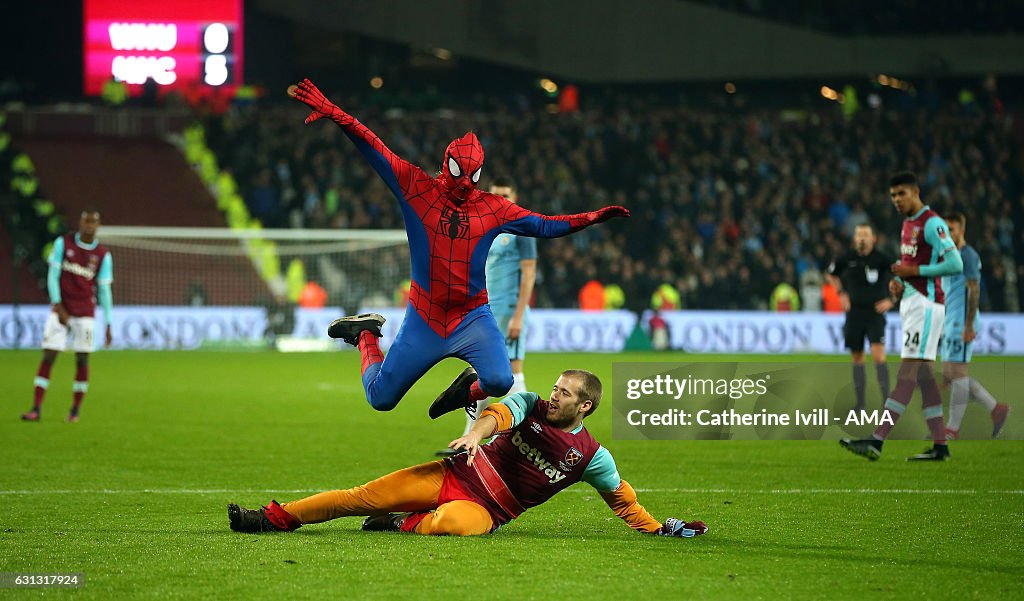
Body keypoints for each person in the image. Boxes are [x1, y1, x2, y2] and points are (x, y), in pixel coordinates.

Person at [288, 78, 629, 417]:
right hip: (425, 316)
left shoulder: (494, 207)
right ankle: (365, 335)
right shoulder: (416, 187)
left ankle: (467, 388)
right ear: (447, 162)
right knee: (381, 399)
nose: (466, 182)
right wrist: (335, 113)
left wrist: (591, 217)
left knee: (499, 380)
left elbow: (542, 225)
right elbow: (373, 147)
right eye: (459, 171)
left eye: (473, 175)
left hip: (471, 316)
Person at [227, 369, 707, 538]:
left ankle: (404, 523)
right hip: (454, 472)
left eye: (565, 393)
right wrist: (476, 433)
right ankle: (269, 519)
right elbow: (501, 412)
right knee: (360, 497)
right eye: (556, 387)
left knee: (460, 527)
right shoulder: (530, 404)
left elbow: (622, 499)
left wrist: (657, 526)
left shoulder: (592, 456)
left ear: (585, 406)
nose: (554, 395)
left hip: (485, 509)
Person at [841, 172, 963, 461]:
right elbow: (912, 266)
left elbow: (955, 263)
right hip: (912, 300)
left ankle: (876, 440)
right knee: (924, 377)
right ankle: (940, 446)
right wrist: (901, 284)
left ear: (915, 192)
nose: (896, 200)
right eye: (893, 195)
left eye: (901, 194)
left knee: (907, 372)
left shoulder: (931, 223)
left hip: (926, 305)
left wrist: (914, 273)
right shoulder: (907, 224)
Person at [438, 178, 536, 452]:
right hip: (485, 310)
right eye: (498, 194)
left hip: (508, 310)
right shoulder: (485, 229)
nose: (502, 198)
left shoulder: (522, 229)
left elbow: (529, 274)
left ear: (515, 196)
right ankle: (471, 436)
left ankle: (525, 433)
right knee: (484, 373)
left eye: (507, 193)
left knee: (513, 371)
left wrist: (518, 315)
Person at [21, 208, 113, 422]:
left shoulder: (102, 255)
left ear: (98, 226)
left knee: (82, 359)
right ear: (80, 223)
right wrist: (57, 305)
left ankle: (75, 411)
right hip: (61, 309)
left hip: (86, 314)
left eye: (93, 222)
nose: (89, 226)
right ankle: (35, 408)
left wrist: (108, 322)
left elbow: (104, 290)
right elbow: (52, 276)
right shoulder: (64, 244)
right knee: (49, 354)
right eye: (86, 221)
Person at [939, 213, 1010, 439]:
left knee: (958, 373)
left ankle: (951, 429)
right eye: (946, 230)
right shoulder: (946, 256)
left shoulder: (968, 256)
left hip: (962, 321)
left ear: (961, 230)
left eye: (952, 229)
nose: (949, 234)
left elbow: (974, 289)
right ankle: (996, 409)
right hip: (951, 320)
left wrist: (969, 324)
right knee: (951, 374)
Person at [827, 224, 894, 411]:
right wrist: (841, 293)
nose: (861, 238)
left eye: (865, 234)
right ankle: (861, 404)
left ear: (873, 238)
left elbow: (900, 278)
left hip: (874, 315)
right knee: (857, 358)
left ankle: (886, 403)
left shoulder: (882, 259)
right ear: (854, 239)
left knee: (878, 357)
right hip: (854, 314)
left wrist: (891, 300)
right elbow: (831, 274)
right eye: (858, 235)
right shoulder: (846, 258)